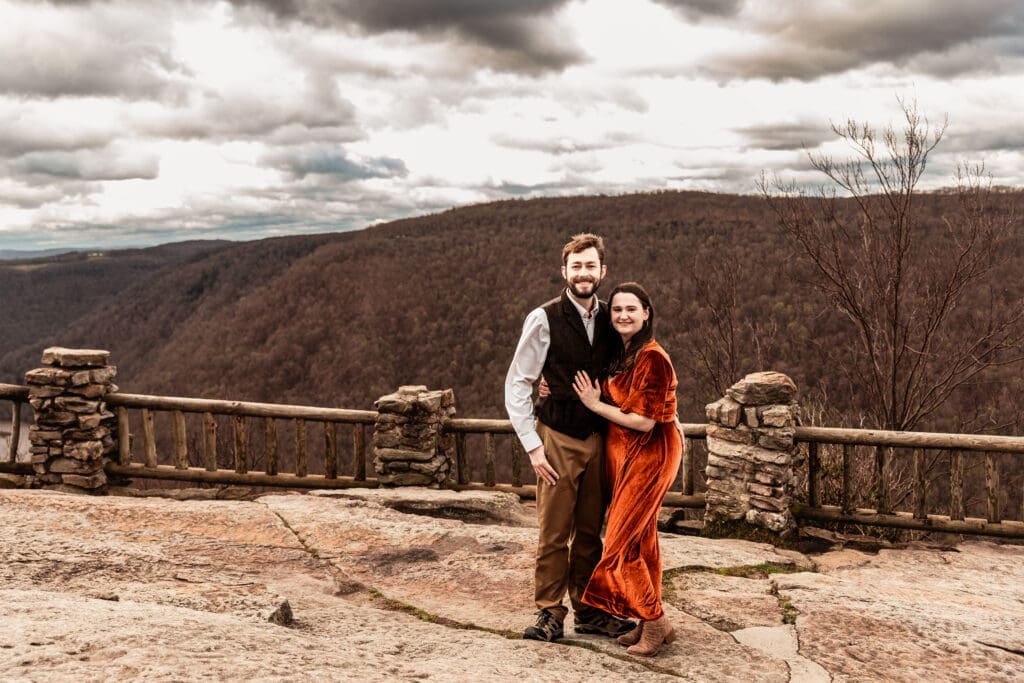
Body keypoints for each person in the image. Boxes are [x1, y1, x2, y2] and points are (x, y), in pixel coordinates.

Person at [505, 233, 635, 643]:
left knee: (590, 532)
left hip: (601, 438)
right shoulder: (543, 319)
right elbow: (518, 383)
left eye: (590, 266)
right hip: (558, 436)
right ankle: (548, 611)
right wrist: (532, 444)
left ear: (603, 271)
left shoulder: (613, 319)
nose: (583, 273)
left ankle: (589, 610)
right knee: (553, 532)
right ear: (564, 272)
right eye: (576, 266)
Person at [571, 282, 682, 657]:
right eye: (616, 309)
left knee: (621, 543)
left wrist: (593, 404)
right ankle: (653, 621)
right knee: (642, 538)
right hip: (627, 456)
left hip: (649, 455)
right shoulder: (626, 353)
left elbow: (645, 422)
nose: (622, 315)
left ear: (646, 312)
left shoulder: (651, 357)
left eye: (631, 309)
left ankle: (653, 621)